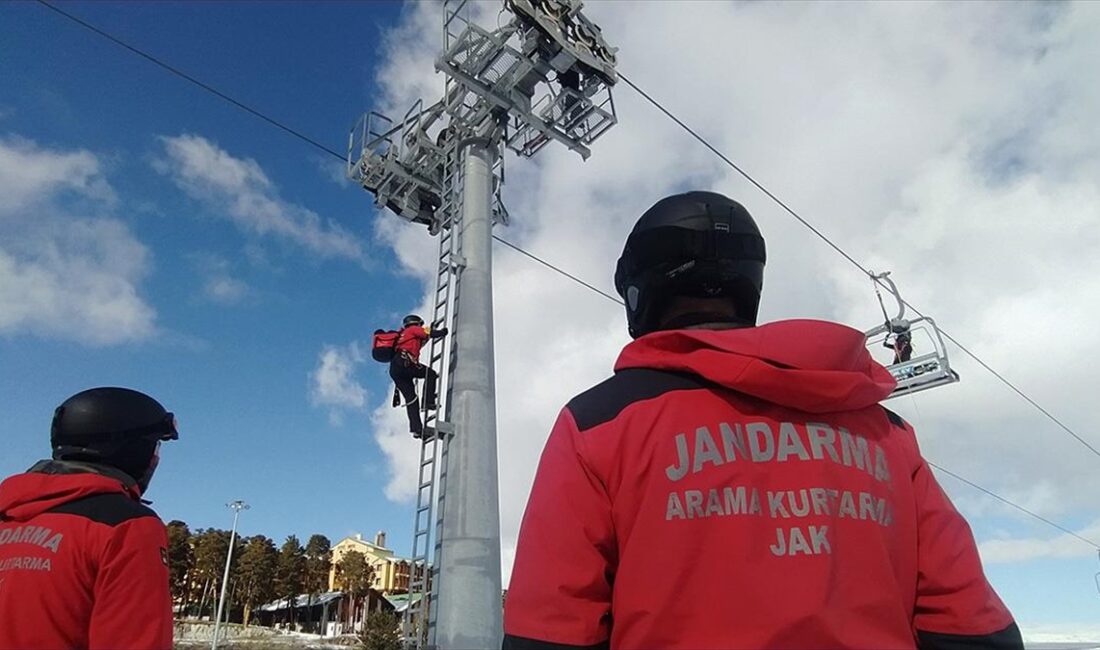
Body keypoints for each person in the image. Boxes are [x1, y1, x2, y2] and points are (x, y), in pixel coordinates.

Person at [503, 191, 1021, 650]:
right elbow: (968, 622)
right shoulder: (888, 434)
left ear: (640, 292)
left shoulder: (598, 425)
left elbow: (551, 628)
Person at [0, 387, 178, 650]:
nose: (155, 459)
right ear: (132, 450)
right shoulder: (126, 525)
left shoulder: (8, 512)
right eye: (156, 446)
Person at [391, 314, 448, 438]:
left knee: (411, 400)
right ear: (417, 323)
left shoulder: (403, 335)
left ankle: (417, 429)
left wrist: (431, 331)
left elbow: (423, 340)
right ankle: (428, 401)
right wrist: (442, 332)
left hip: (396, 369)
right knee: (430, 374)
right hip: (406, 363)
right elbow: (428, 333)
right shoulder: (414, 329)